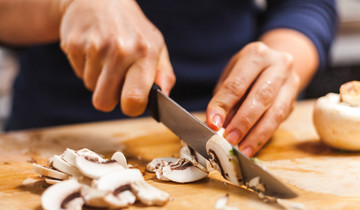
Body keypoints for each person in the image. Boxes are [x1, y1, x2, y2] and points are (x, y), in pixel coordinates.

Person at [0, 0, 337, 156]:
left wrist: (283, 56)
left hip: (231, 118)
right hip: (53, 134)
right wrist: (65, 4)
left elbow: (306, 4)